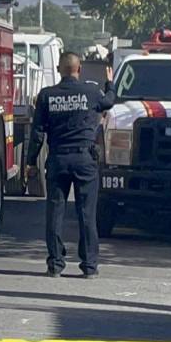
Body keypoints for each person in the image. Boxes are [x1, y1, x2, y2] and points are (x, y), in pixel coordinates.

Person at [25, 52, 116, 278]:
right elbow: (110, 102)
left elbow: (37, 133)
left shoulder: (46, 96)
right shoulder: (92, 92)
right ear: (79, 69)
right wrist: (110, 82)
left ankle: (55, 264)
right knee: (87, 214)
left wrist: (30, 162)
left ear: (58, 69)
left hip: (58, 159)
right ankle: (89, 266)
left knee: (55, 213)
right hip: (85, 160)